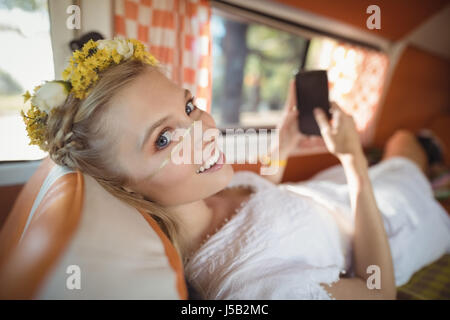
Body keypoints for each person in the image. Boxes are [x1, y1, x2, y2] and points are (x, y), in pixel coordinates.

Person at [22, 38, 450, 300]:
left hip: (331, 193)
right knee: (402, 145)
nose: (203, 130)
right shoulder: (254, 289)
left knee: (404, 145)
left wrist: (281, 146)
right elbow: (379, 292)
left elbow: (261, 200)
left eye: (188, 106)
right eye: (164, 139)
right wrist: (354, 161)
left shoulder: (204, 198)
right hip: (391, 220)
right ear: (122, 188)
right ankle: (428, 157)